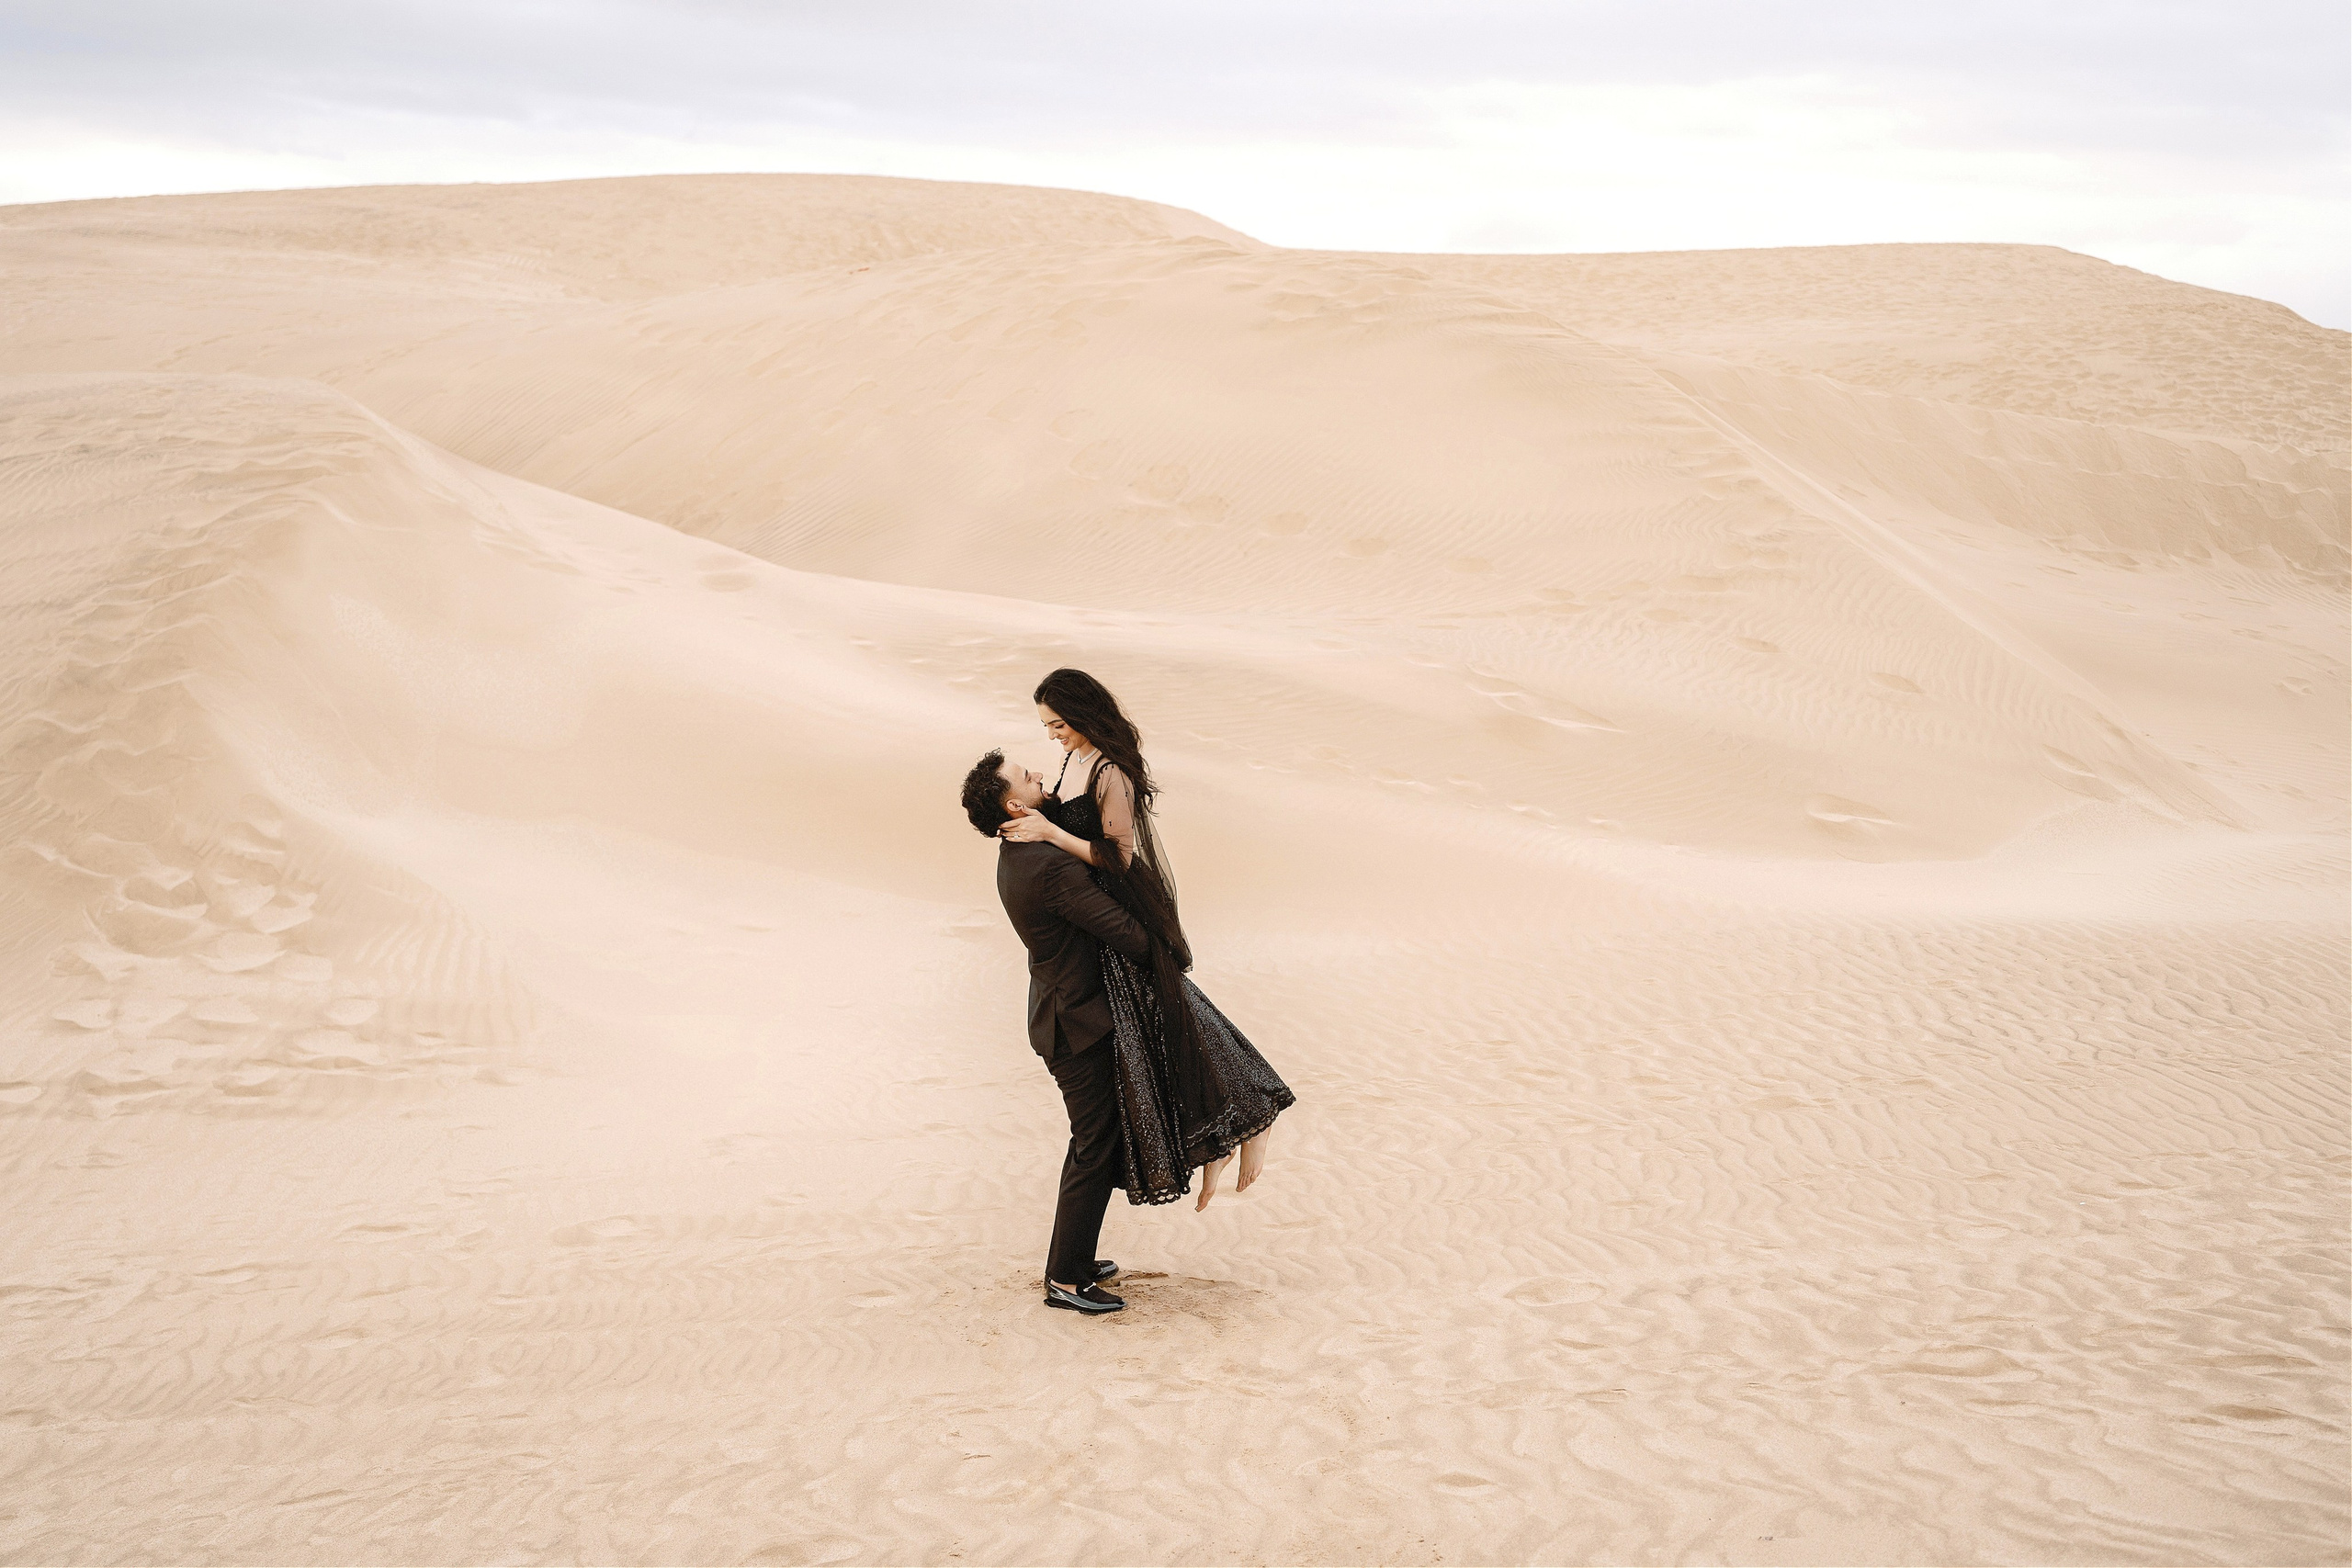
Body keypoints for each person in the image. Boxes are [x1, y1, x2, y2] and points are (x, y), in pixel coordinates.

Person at [996, 668, 1294, 1213]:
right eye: (1046, 725)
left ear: (1084, 715)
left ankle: (1249, 1120)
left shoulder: (1113, 772)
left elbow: (1120, 858)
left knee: (1175, 1017)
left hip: (1125, 907)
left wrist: (1050, 833)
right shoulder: (1074, 759)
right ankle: (1225, 1135)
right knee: (1167, 1026)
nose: (1051, 736)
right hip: (1098, 918)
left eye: (1058, 724)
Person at [961, 749, 1145, 1316]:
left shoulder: (1023, 852)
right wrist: (1162, 943)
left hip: (1066, 1016)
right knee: (1094, 1146)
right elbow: (1124, 933)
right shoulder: (1047, 865)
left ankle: (1075, 1260)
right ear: (1015, 804)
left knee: (1097, 1140)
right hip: (1076, 1024)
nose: (1041, 774)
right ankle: (1066, 1278)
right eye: (1027, 777)